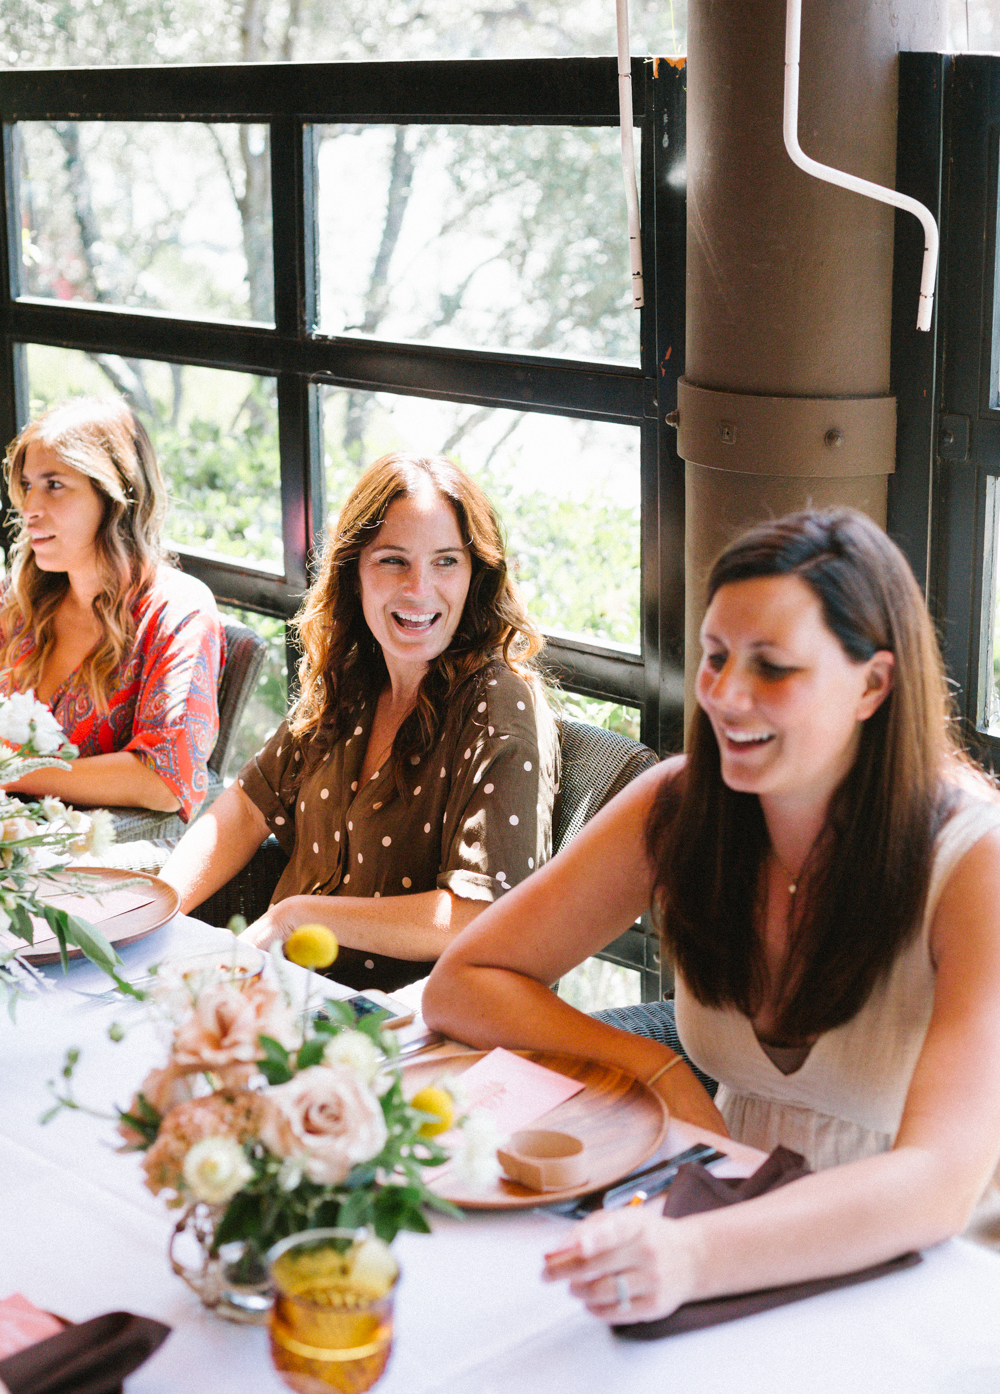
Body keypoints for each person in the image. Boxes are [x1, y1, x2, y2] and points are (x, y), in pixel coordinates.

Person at [424, 507, 1000, 1324]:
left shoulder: (975, 862)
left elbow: (937, 1183)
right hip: (719, 1198)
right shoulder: (680, 805)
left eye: (773, 668)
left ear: (873, 685)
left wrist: (694, 1256)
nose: (726, 696)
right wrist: (658, 1070)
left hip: (925, 1267)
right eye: (716, 657)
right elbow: (464, 982)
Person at [160, 452, 559, 992]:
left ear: (475, 576)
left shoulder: (498, 706)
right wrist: (158, 907)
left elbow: (479, 913)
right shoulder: (353, 678)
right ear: (354, 574)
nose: (418, 588)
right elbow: (247, 807)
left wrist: (296, 917)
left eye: (446, 561)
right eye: (393, 561)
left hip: (397, 1020)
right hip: (282, 988)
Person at [0, 397, 224, 821]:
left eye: (54, 485)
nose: (29, 510)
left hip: (93, 852)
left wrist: (16, 774)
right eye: (27, 485)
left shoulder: (176, 612)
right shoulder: (20, 598)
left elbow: (165, 780)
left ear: (114, 495)